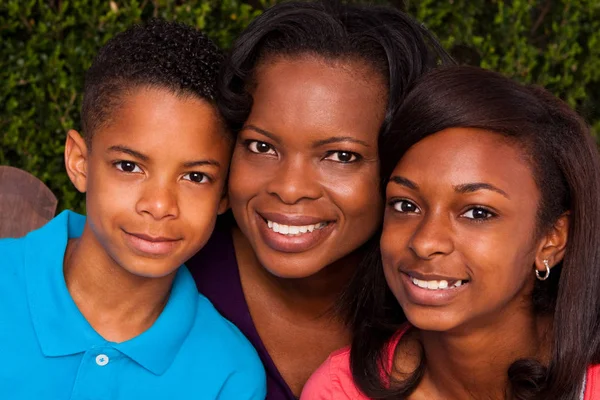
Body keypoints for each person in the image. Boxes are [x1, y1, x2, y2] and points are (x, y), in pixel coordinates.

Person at [185, 1, 451, 398]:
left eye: (341, 156)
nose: (290, 189)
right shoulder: (169, 272)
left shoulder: (441, 300)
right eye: (261, 146)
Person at [0, 20, 266, 399]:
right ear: (80, 162)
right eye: (129, 166)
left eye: (195, 176)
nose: (159, 206)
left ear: (224, 192)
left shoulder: (229, 375)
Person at [300, 65, 600, 400]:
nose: (425, 242)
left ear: (552, 239)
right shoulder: (340, 391)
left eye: (477, 212)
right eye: (405, 206)